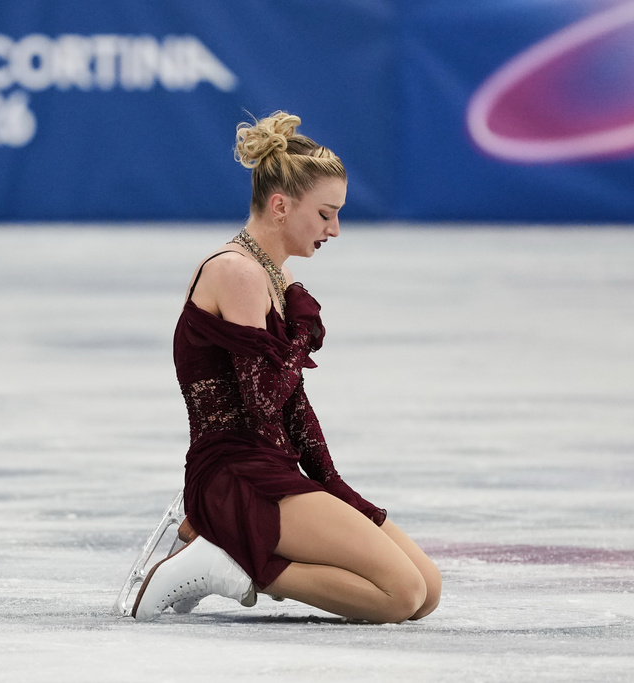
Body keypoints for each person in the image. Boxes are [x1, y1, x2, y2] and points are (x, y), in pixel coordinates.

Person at [131, 111, 441, 623]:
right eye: (325, 214)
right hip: (234, 477)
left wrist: (332, 482)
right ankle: (225, 564)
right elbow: (262, 403)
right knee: (400, 595)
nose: (334, 229)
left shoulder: (274, 275)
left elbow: (293, 403)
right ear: (280, 206)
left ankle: (235, 554)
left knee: (427, 591)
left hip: (270, 469)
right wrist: (300, 330)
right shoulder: (237, 273)